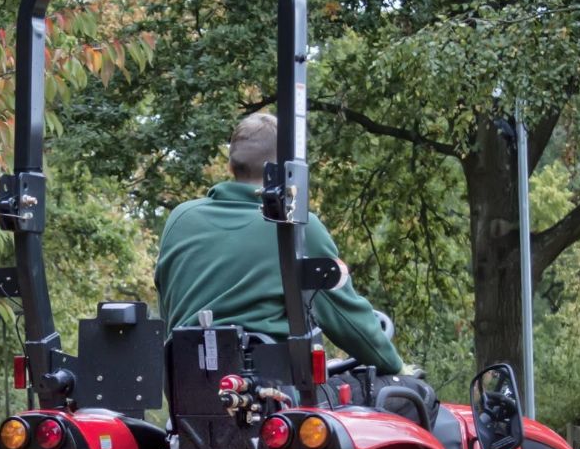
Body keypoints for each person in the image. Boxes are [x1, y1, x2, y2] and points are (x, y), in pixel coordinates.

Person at [155, 111, 405, 375]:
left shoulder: (180, 220)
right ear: (287, 170)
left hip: (185, 398)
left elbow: (169, 309)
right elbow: (350, 322)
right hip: (274, 399)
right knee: (405, 397)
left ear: (230, 166)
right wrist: (395, 365)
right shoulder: (295, 227)